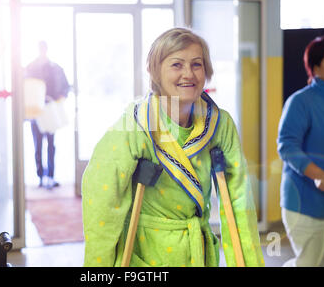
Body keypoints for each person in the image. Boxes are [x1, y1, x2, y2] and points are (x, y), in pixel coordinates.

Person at [82, 28, 264, 267]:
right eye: (177, 65)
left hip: (198, 252)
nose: (188, 74)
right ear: (155, 71)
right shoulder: (135, 124)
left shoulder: (220, 123)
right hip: (146, 254)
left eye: (197, 64)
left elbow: (239, 202)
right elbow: (102, 200)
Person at [277, 35, 324, 267]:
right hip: (306, 203)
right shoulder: (301, 101)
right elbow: (287, 146)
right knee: (309, 263)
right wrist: (321, 176)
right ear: (316, 66)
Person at [26, 41, 69, 189]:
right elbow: (24, 90)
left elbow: (65, 87)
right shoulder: (30, 68)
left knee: (51, 145)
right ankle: (40, 177)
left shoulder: (55, 68)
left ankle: (50, 176)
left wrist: (58, 99)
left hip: (50, 111)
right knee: (38, 145)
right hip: (35, 112)